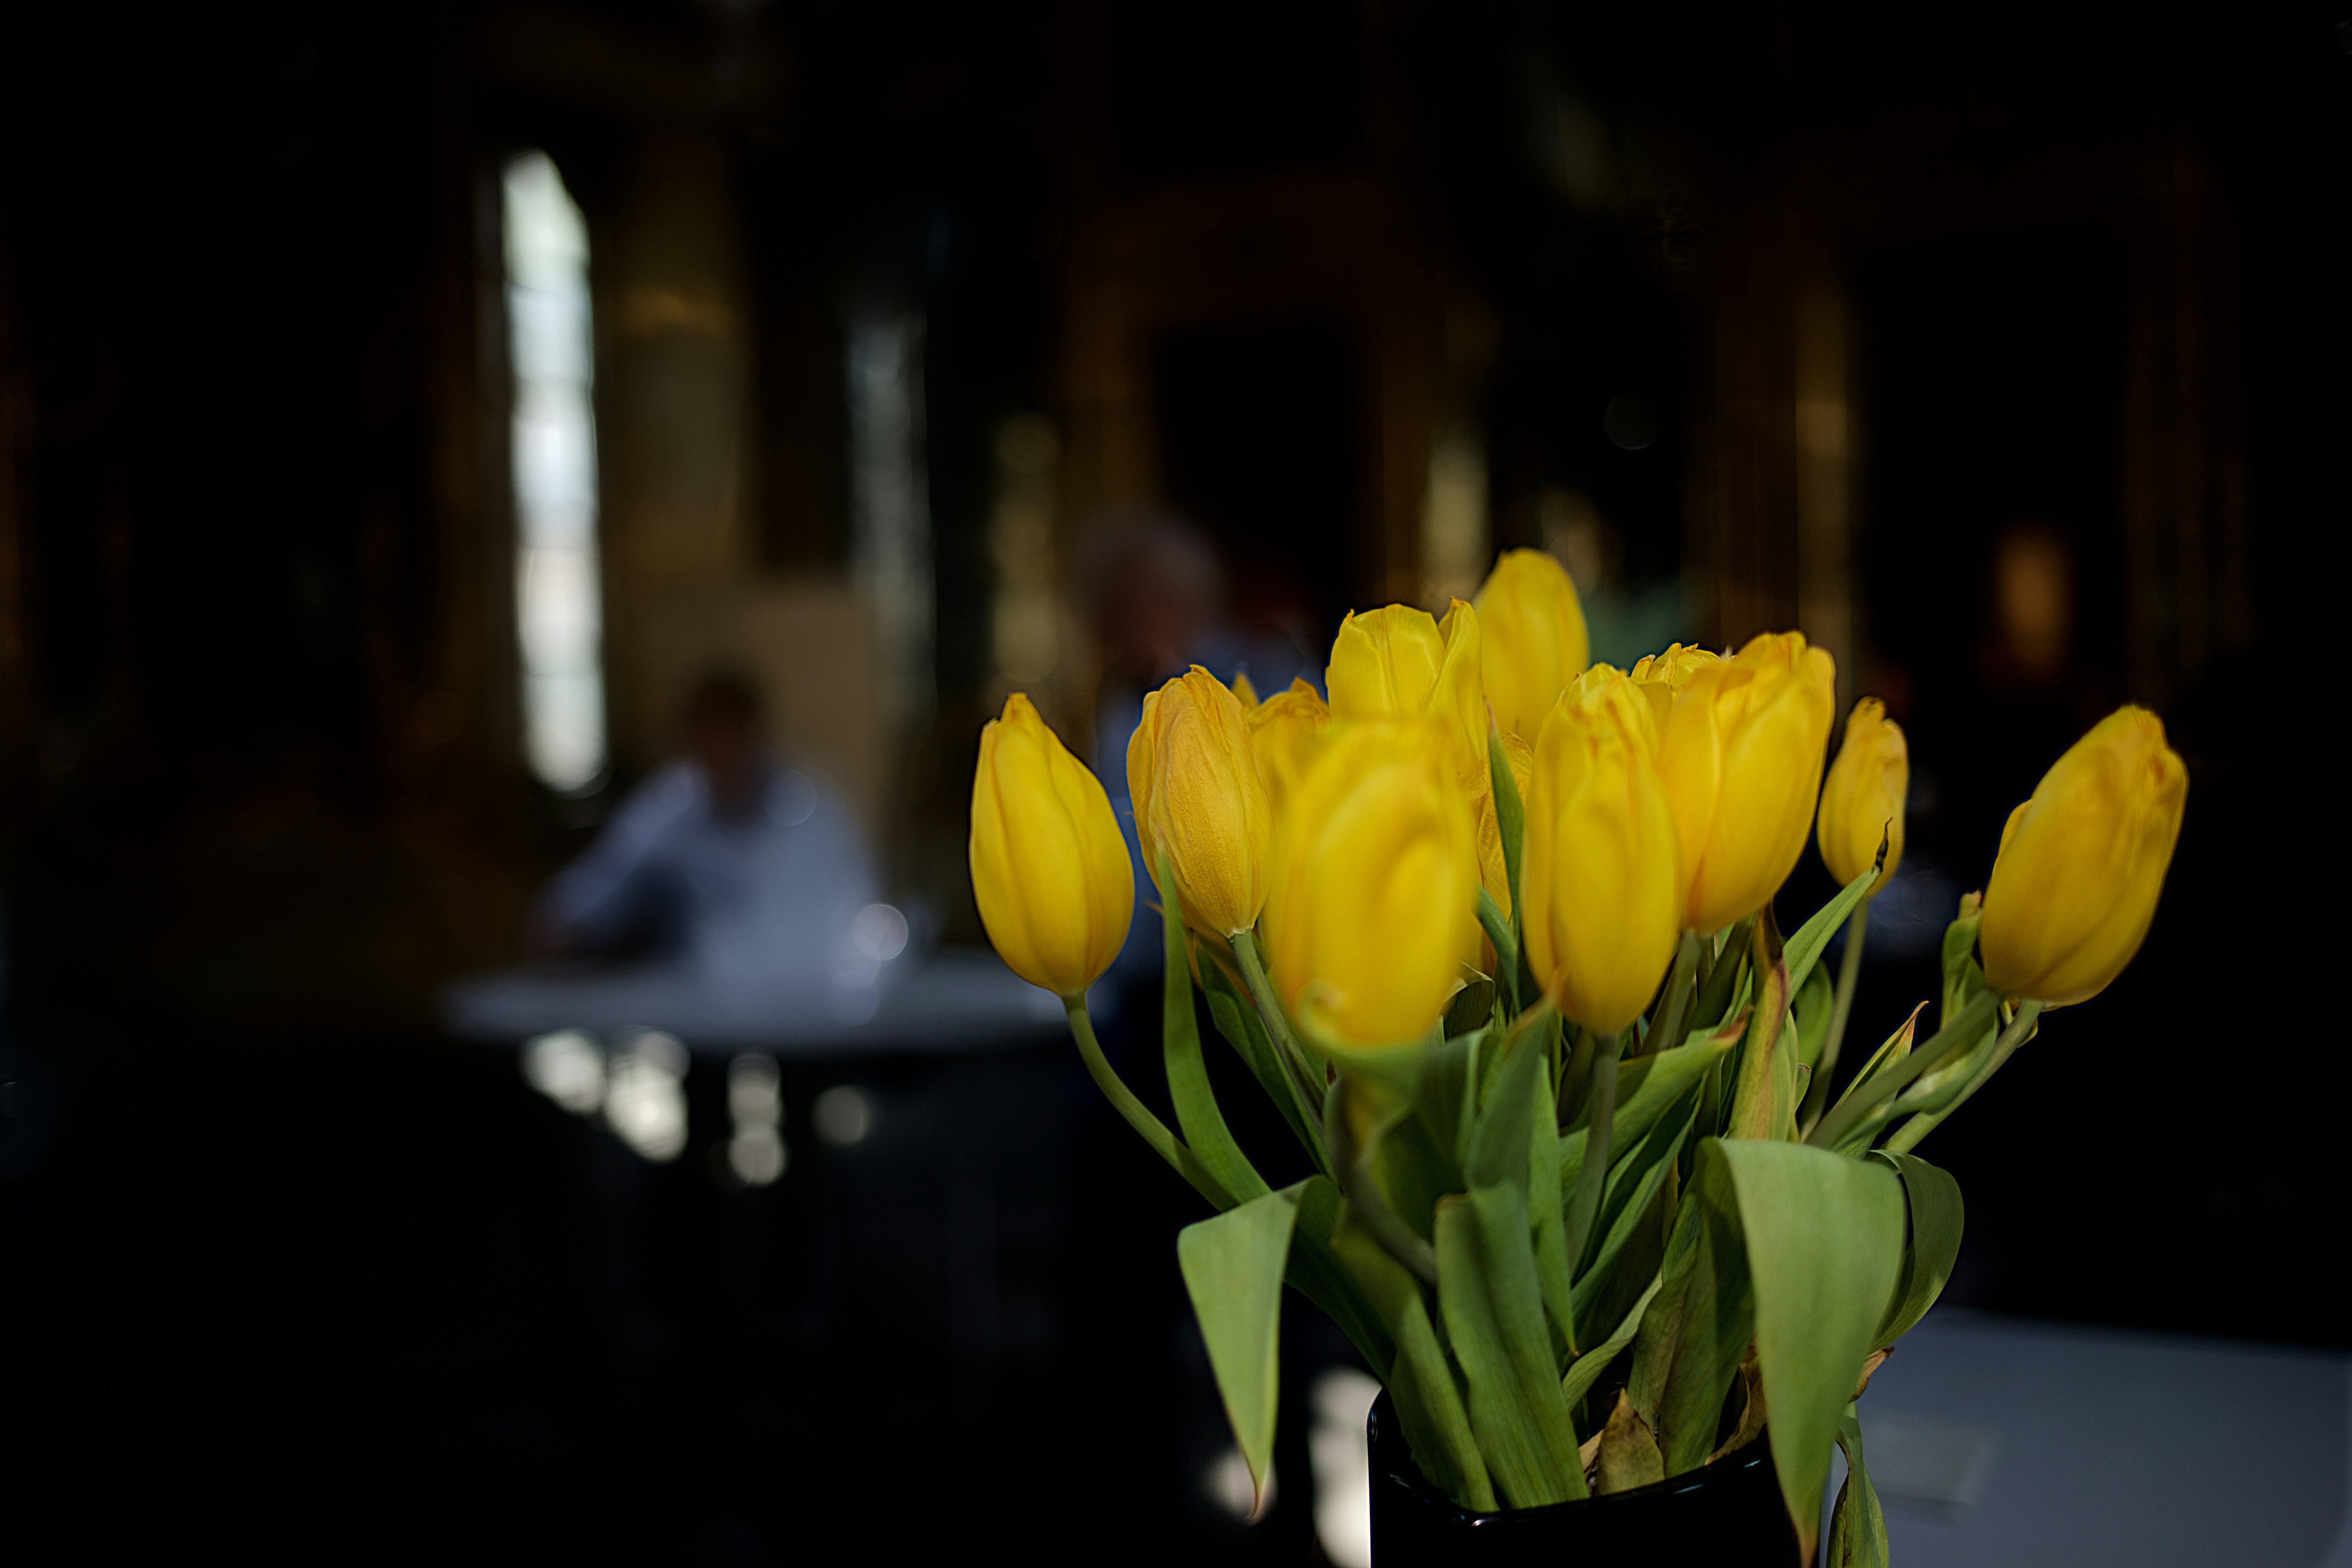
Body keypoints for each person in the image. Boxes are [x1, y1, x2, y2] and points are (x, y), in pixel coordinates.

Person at [532, 672, 877, 1001]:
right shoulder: (670, 806)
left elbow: (855, 914)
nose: (724, 753)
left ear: (758, 736)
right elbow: (605, 878)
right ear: (691, 741)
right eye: (710, 738)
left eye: (734, 736)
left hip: (803, 1006)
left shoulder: (810, 808)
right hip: (696, 1012)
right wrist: (565, 918)